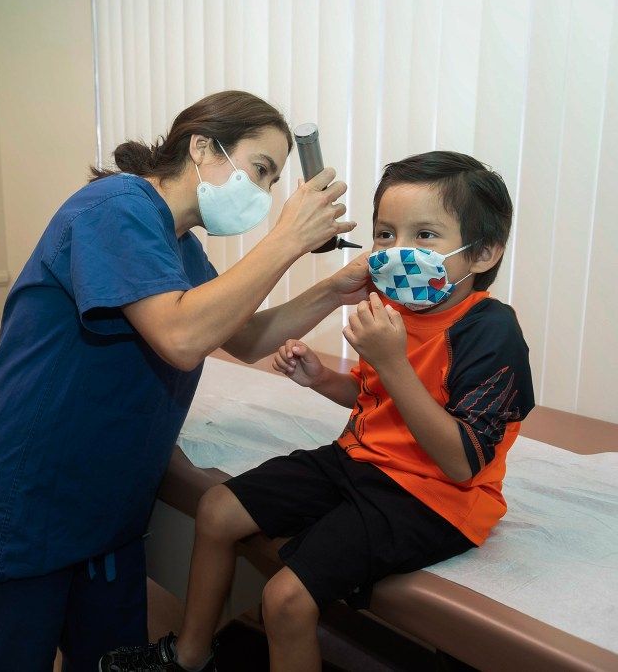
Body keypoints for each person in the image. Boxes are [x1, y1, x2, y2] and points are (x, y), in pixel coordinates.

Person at [0, 90, 371, 671]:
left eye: (273, 180)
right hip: (36, 488)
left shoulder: (177, 244)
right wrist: (288, 238)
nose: (263, 193)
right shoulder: (114, 208)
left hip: (108, 499)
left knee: (107, 658)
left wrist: (334, 289)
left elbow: (245, 337)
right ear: (202, 146)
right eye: (260, 170)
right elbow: (179, 338)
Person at [100, 151, 536, 672]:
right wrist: (321, 379)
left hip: (434, 497)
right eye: (385, 234)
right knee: (217, 510)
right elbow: (374, 397)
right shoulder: (392, 307)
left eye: (425, 236)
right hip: (358, 461)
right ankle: (190, 656)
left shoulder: (490, 330)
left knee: (284, 599)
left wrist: (391, 362)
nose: (398, 251)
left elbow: (463, 462)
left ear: (483, 252)